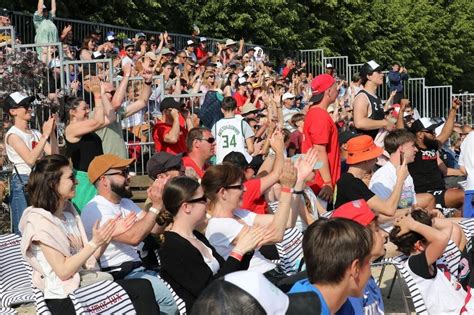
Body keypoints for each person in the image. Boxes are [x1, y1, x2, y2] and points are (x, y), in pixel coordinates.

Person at [19, 154, 159, 314]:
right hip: (64, 297)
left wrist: (106, 237)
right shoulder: (40, 221)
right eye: (71, 177)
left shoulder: (69, 215)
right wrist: (94, 243)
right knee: (142, 289)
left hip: (84, 284)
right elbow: (63, 271)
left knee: (142, 288)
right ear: (53, 183)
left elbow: (89, 262)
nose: (77, 181)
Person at [80, 154, 178, 314]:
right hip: (119, 273)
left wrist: (163, 204)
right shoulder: (96, 208)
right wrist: (155, 206)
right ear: (104, 179)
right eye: (123, 172)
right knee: (169, 300)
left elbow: (154, 229)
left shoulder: (126, 203)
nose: (129, 177)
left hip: (140, 269)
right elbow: (133, 238)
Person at [158, 176, 265, 310]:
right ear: (186, 207)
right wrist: (238, 251)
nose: (208, 202)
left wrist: (248, 248)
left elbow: (227, 274)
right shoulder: (172, 248)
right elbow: (209, 292)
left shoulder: (196, 236)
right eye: (202, 199)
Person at [202, 160, 298, 284]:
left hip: (271, 275)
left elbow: (288, 221)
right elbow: (276, 235)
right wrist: (286, 190)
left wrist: (299, 183)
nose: (245, 189)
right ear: (223, 192)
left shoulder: (239, 214)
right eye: (240, 186)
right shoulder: (219, 226)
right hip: (260, 283)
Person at [389, 209, 469, 314]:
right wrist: (412, 225)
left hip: (464, 308)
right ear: (419, 245)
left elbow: (448, 226)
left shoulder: (431, 257)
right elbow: (441, 238)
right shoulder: (415, 263)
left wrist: (429, 219)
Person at [288, 218, 373, 315]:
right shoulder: (296, 309)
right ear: (355, 269)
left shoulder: (342, 305)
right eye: (369, 262)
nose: (370, 272)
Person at [3, 91, 58, 234]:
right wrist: (45, 135)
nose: (29, 108)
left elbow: (54, 155)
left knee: (42, 225)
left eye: (29, 104)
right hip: (22, 182)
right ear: (13, 111)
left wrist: (51, 133)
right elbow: (30, 159)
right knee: (23, 227)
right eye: (24, 105)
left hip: (39, 180)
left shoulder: (35, 132)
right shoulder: (13, 134)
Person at [63, 78, 115, 211]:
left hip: (97, 177)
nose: (87, 111)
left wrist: (102, 95)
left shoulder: (88, 127)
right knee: (85, 214)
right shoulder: (71, 129)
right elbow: (98, 120)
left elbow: (111, 117)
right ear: (72, 112)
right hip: (84, 180)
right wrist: (96, 95)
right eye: (84, 108)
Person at [334, 135, 409, 221]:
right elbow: (389, 210)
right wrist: (400, 179)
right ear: (365, 159)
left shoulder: (348, 180)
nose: (377, 161)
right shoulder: (351, 183)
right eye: (374, 157)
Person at [332, 199, 387, 315]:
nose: (384, 234)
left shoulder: (364, 277)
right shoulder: (350, 290)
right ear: (358, 239)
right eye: (376, 230)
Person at [407, 101, 465, 212]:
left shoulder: (432, 146)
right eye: (430, 131)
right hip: (424, 194)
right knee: (463, 195)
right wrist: (401, 112)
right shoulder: (411, 150)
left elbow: (445, 133)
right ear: (419, 134)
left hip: (440, 189)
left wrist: (453, 110)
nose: (434, 133)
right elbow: (399, 132)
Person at [370, 129, 436, 211]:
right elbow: (381, 216)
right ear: (401, 149)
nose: (416, 150)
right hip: (392, 223)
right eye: (413, 146)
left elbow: (412, 206)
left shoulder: (405, 172)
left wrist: (427, 213)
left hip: (408, 221)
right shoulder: (382, 177)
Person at [302, 74, 340, 207]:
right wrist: (327, 182)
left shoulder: (315, 112)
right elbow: (319, 150)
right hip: (320, 185)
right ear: (328, 91)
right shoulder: (320, 115)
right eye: (336, 88)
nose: (338, 91)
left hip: (316, 180)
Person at [353, 60, 394, 139]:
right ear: (369, 76)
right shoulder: (362, 97)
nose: (382, 74)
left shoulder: (376, 97)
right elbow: (359, 123)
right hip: (366, 148)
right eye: (378, 72)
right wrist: (384, 123)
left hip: (376, 147)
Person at [212, 96, 254, 164]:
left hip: (222, 163)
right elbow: (251, 149)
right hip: (239, 163)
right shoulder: (242, 123)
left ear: (222, 110)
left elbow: (213, 148)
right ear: (236, 109)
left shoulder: (216, 126)